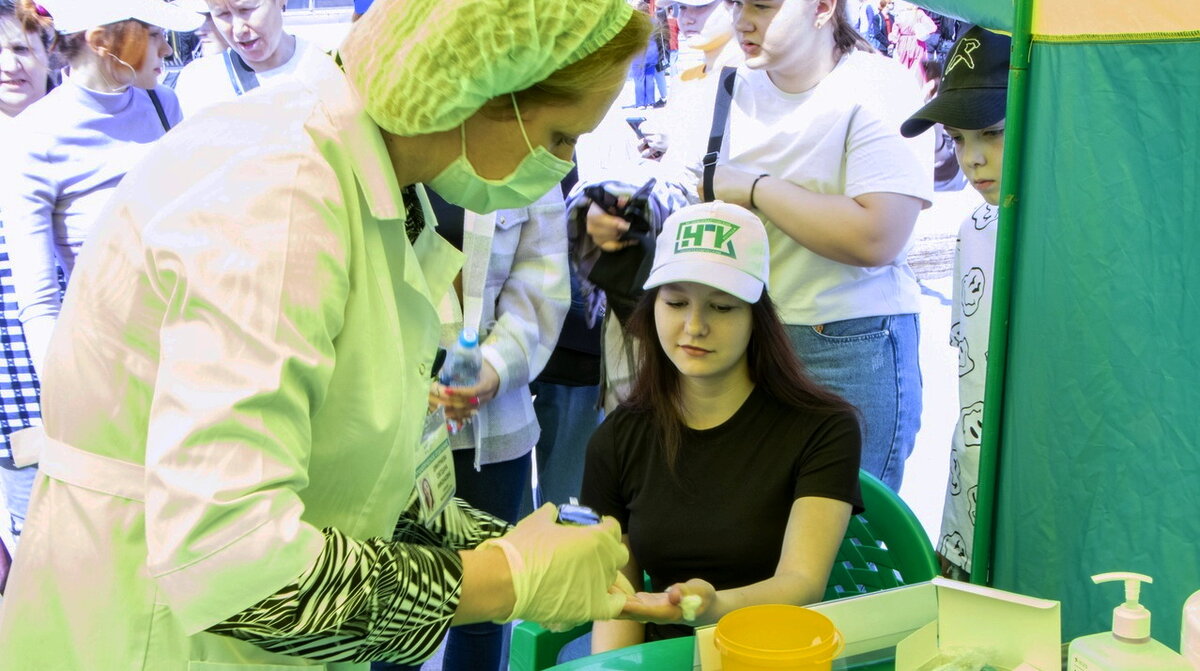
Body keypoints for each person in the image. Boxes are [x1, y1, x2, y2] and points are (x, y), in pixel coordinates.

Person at [0, 1, 650, 669]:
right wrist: (503, 577)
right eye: (560, 138)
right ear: (483, 89)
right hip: (150, 634)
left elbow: (360, 473)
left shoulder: (371, 183)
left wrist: (523, 547)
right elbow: (236, 565)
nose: (559, 167)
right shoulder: (280, 194)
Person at [585, 0, 933, 490]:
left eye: (762, 6)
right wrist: (623, 210)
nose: (743, 19)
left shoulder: (876, 86)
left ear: (823, 8)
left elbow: (878, 235)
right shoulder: (727, 82)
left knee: (839, 521)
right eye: (735, 3)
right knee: (739, 517)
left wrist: (755, 188)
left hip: (844, 344)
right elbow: (686, 185)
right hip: (737, 338)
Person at [582, 201, 862, 651]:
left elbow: (803, 581)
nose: (695, 326)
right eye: (676, 302)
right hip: (663, 654)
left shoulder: (824, 428)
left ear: (757, 317)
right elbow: (619, 603)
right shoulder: (616, 439)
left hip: (774, 651)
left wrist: (711, 607)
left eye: (722, 306)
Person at [0, 0, 192, 398]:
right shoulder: (32, 137)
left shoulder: (165, 104)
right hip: (109, 374)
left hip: (190, 352)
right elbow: (39, 302)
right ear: (102, 40)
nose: (167, 49)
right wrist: (65, 403)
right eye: (154, 35)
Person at [416, 186, 572, 671]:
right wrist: (411, 372)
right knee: (393, 604)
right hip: (394, 415)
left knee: (487, 606)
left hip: (494, 424)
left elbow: (541, 283)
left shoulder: (534, 167)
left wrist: (491, 368)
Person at [900, 25, 1011, 582]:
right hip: (973, 506)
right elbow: (973, 391)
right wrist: (955, 533)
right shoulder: (976, 228)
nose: (973, 159)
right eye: (958, 139)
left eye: (992, 132)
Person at [0, 0, 55, 553]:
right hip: (13, 391)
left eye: (20, 48)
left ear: (47, 52)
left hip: (108, 376)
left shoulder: (84, 130)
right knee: (40, 545)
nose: (9, 64)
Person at [173, 0, 312, 116]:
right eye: (222, 14)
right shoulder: (198, 82)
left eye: (246, 9)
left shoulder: (319, 64)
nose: (238, 30)